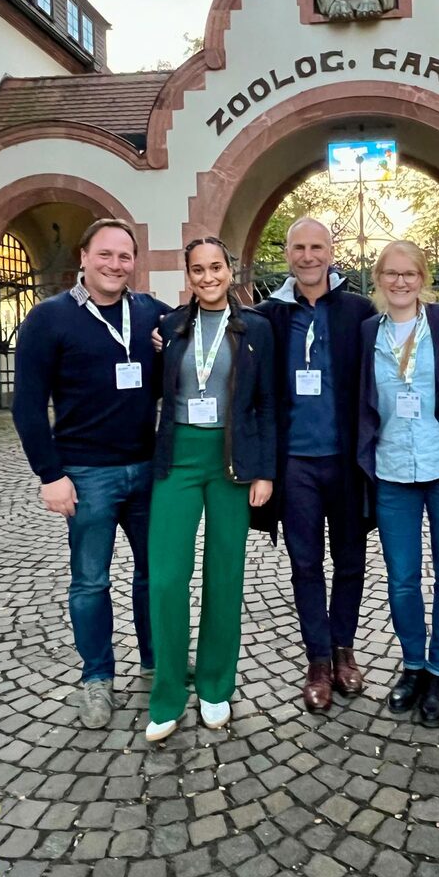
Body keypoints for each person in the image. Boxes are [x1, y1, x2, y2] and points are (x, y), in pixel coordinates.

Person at [13, 218, 169, 729]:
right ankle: (97, 678)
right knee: (89, 581)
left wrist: (172, 347)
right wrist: (49, 474)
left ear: (134, 263)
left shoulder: (149, 312)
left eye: (125, 257)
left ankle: (156, 662)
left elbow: (201, 338)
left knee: (154, 575)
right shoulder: (48, 319)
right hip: (85, 474)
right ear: (84, 256)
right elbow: (28, 406)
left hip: (147, 470)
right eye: (105, 254)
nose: (115, 264)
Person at [145, 236, 275, 742]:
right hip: (178, 459)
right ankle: (169, 694)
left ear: (229, 270)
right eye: (197, 270)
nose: (207, 277)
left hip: (232, 464)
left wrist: (264, 471)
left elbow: (265, 402)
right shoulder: (171, 326)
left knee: (226, 574)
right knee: (167, 578)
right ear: (188, 275)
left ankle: (217, 685)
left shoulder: (256, 328)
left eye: (215, 267)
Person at [257, 218, 377, 712]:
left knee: (350, 562)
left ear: (332, 252)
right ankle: (318, 661)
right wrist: (162, 337)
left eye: (317, 247)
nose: (308, 256)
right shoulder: (269, 315)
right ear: (288, 254)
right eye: (299, 248)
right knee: (305, 564)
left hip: (347, 461)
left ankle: (345, 651)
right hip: (295, 464)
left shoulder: (358, 311)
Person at [358, 241, 439, 727]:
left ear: (422, 276)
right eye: (391, 274)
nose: (400, 282)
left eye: (409, 274)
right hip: (391, 472)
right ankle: (411, 666)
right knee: (402, 578)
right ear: (378, 278)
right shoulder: (368, 332)